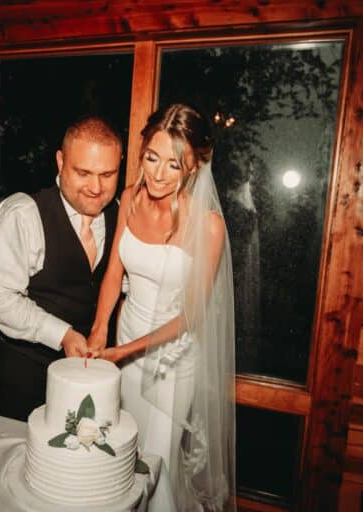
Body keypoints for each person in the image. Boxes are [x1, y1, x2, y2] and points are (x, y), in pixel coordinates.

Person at [88, 104, 236, 511]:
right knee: (125, 454)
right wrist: (101, 328)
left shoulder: (207, 226)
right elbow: (114, 272)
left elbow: (191, 316)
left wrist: (126, 352)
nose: (157, 173)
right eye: (151, 158)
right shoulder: (130, 198)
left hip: (172, 360)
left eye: (173, 164)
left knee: (159, 461)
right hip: (125, 341)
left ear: (194, 166)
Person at [0, 116, 122, 422]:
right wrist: (63, 334)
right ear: (60, 161)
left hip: (89, 379)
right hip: (26, 373)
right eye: (83, 172)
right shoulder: (23, 214)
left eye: (107, 174)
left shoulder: (121, 213)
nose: (96, 188)